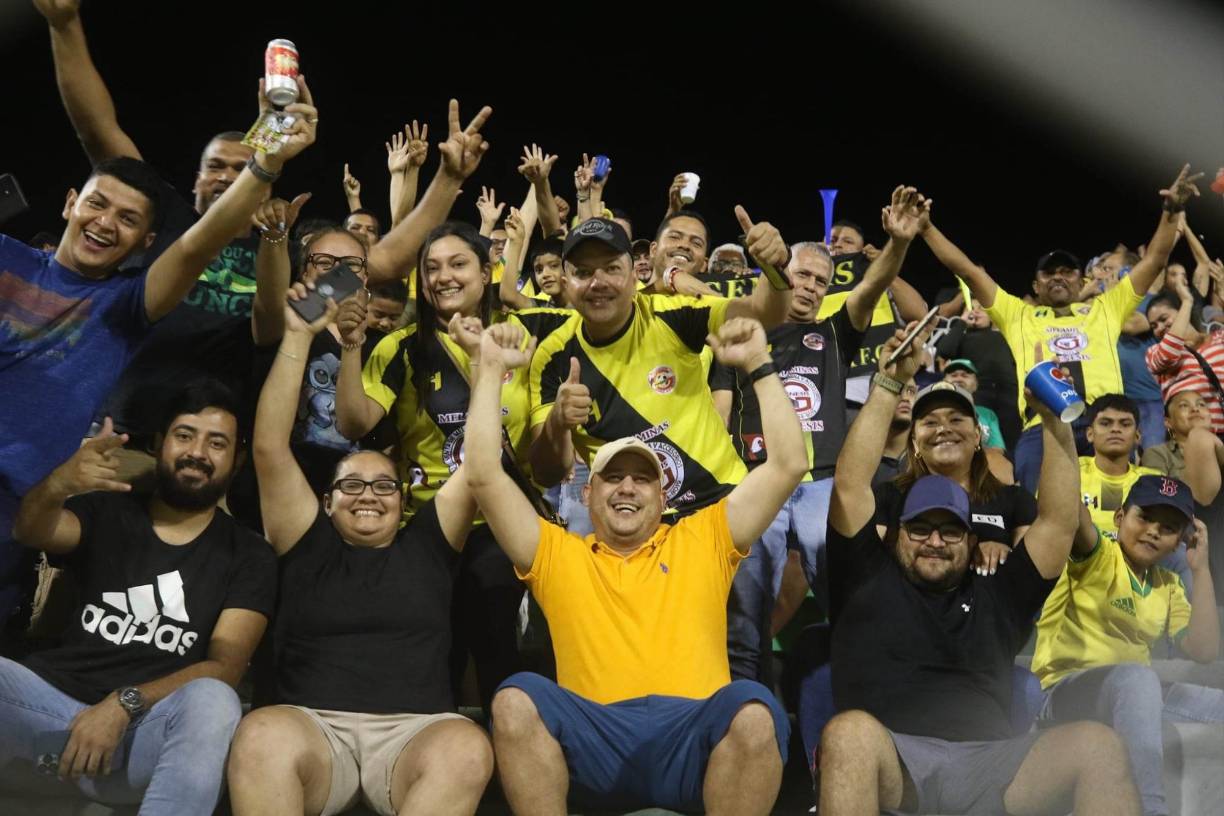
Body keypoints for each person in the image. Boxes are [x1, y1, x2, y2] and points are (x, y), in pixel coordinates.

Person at [0, 80, 315, 632]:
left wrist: (266, 166)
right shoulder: (12, 258)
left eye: (126, 219)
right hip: (105, 451)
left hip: (154, 462)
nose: (106, 222)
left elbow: (207, 254)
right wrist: (63, 25)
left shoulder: (125, 305)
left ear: (146, 242)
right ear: (72, 203)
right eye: (97, 205)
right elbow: (100, 129)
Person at [466, 316, 809, 815]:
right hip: (594, 744)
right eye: (612, 477)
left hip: (690, 743)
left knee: (754, 707)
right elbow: (481, 474)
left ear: (663, 494)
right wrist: (490, 367)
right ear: (588, 492)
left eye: (641, 479)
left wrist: (758, 362)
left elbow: (788, 465)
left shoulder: (704, 536)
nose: (627, 487)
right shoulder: (556, 552)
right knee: (516, 698)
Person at [818, 323, 1142, 816]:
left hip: (993, 763)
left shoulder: (998, 589)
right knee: (848, 734)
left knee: (1096, 745)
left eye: (949, 531)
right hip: (894, 760)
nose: (933, 541)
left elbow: (1056, 522)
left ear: (972, 540)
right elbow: (848, 487)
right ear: (895, 530)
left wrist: (1055, 419)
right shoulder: (866, 575)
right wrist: (886, 384)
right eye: (919, 528)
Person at [226, 286, 492, 816]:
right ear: (325, 502)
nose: (368, 494)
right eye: (351, 485)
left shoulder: (430, 543)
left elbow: (479, 464)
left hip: (414, 734)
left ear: (402, 500)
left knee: (466, 746)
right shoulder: (305, 541)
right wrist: (299, 335)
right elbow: (269, 447)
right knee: (260, 732)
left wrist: (486, 368)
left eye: (383, 486)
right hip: (314, 729)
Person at [0, 383, 276, 815]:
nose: (198, 452)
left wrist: (123, 704)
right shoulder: (108, 512)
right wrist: (57, 485)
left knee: (215, 700)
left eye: (216, 442)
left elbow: (225, 667)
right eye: (184, 435)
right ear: (158, 443)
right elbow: (31, 531)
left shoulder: (249, 554)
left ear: (237, 459)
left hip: (143, 734)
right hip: (50, 711)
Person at [335, 221, 571, 714]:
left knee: (496, 647)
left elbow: (549, 468)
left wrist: (563, 421)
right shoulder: (400, 347)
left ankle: (509, 758)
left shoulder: (524, 342)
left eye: (458, 264)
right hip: (428, 526)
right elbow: (355, 422)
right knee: (434, 652)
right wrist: (352, 345)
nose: (443, 276)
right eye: (431, 267)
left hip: (500, 524)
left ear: (486, 273)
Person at [711, 185, 926, 682]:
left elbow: (870, 289)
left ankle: (869, 687)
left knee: (847, 595)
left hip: (822, 483)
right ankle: (749, 708)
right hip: (757, 479)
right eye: (801, 274)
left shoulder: (833, 333)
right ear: (781, 274)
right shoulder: (743, 332)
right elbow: (720, 415)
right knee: (743, 616)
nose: (809, 286)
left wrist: (898, 245)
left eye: (820, 280)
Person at [922, 166, 1203, 493]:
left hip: (1105, 426)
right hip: (1043, 428)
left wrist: (1173, 210)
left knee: (1112, 520)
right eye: (1048, 273)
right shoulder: (1018, 315)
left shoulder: (1105, 308)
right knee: (1038, 521)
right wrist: (926, 228)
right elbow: (968, 271)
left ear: (1081, 280)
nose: (1058, 277)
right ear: (1035, 286)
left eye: (1067, 271)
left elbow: (1154, 260)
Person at [528, 213, 792, 511]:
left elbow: (764, 314)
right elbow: (545, 473)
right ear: (566, 283)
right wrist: (557, 423)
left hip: (722, 504)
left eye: (612, 268)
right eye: (584, 272)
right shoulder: (551, 358)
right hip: (632, 528)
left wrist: (774, 267)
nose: (598, 282)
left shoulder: (673, 314)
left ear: (633, 277)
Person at [1032, 475, 1220, 816]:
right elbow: (1068, 506)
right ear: (1120, 517)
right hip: (1062, 691)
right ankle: (1148, 810)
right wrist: (1058, 428)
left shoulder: (1169, 585)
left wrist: (1201, 568)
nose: (1152, 531)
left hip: (1134, 695)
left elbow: (1204, 651)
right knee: (1137, 678)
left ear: (1180, 539)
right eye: (1144, 517)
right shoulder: (1097, 554)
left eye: (1168, 527)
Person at [1142, 390, 1224, 597]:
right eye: (1184, 405)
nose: (1195, 408)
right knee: (1199, 437)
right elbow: (1162, 497)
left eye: (1201, 404)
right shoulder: (1158, 454)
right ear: (1168, 422)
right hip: (1190, 521)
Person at [934, 299, 1020, 454]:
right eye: (971, 308)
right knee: (983, 441)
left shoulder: (1003, 336)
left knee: (1013, 443)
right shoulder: (962, 337)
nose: (976, 311)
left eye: (982, 308)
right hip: (979, 393)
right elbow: (944, 351)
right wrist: (961, 323)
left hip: (1009, 392)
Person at [1145, 272, 1224, 434]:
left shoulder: (1219, 338)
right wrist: (1187, 302)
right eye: (1154, 326)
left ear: (1180, 312)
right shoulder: (1155, 353)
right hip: (1190, 441)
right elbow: (1166, 355)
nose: (1159, 328)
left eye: (1164, 319)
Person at [1076, 395, 1163, 543]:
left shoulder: (1153, 481)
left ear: (1137, 436)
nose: (1115, 429)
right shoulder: (1071, 471)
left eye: (1125, 424)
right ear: (1090, 434)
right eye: (1105, 423)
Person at [941, 358, 1012, 481]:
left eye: (965, 375)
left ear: (975, 384)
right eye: (953, 375)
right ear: (943, 382)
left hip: (983, 471)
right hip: (946, 468)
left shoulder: (987, 414)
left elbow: (998, 450)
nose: (958, 378)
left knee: (1001, 462)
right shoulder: (935, 412)